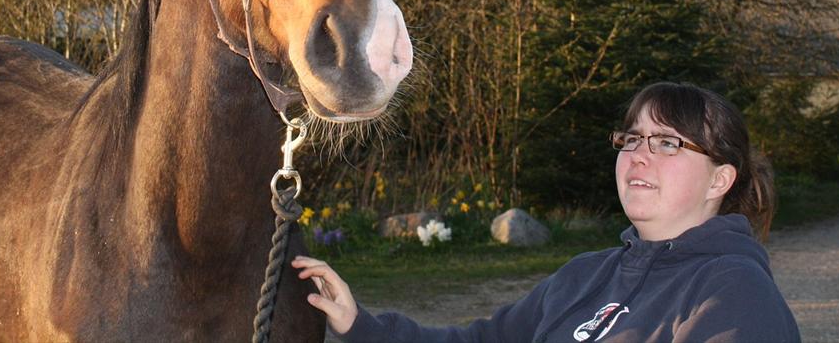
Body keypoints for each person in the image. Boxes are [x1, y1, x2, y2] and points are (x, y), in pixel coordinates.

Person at [293, 81, 801, 342]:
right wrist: (361, 324)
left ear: (720, 178)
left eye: (669, 143)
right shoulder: (585, 276)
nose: (640, 154)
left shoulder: (734, 293)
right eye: (633, 138)